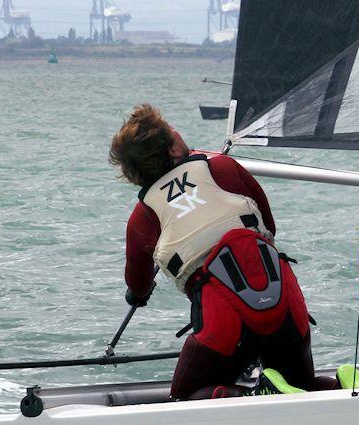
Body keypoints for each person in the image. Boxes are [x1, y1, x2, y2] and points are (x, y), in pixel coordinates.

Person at [109, 103, 338, 400]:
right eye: (172, 130)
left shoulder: (143, 218)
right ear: (174, 150)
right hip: (285, 304)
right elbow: (269, 226)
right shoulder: (222, 167)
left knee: (184, 397)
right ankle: (342, 385)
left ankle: (240, 397)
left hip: (226, 325)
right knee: (301, 386)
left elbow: (138, 286)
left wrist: (137, 295)